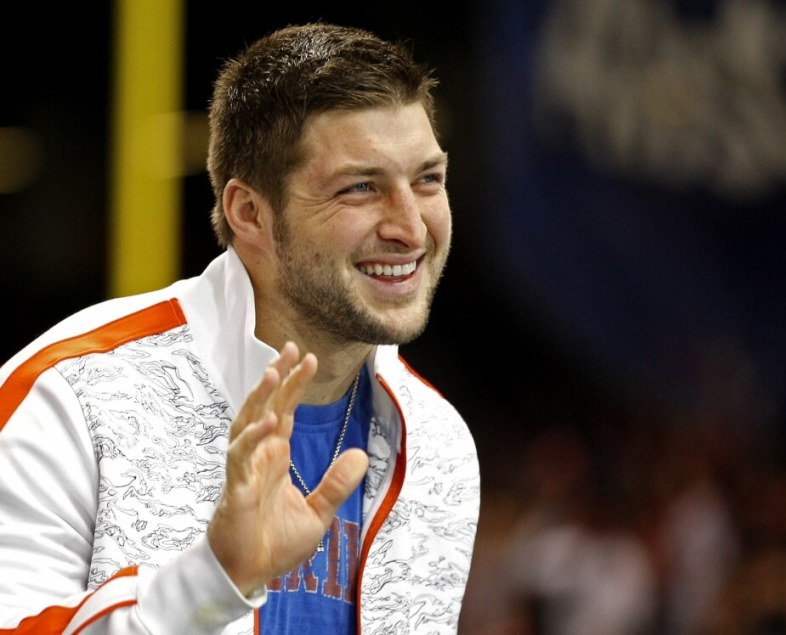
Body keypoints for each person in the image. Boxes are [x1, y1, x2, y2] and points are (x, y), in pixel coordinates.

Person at [0, 22, 480, 635]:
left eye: (427, 180)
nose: (411, 229)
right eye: (361, 187)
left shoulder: (440, 447)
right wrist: (211, 581)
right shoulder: (72, 396)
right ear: (249, 213)